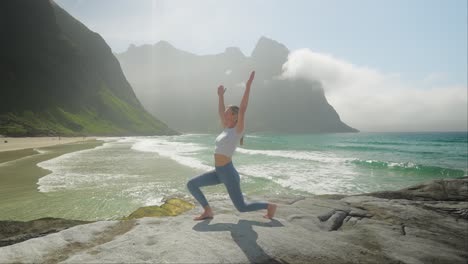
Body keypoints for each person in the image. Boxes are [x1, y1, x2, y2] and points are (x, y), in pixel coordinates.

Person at [187, 71, 277, 221]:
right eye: (226, 114)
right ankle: (208, 211)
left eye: (229, 114)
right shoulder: (226, 129)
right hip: (218, 172)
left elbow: (243, 108)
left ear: (235, 116)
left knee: (241, 207)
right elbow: (220, 112)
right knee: (191, 184)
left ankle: (269, 206)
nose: (225, 116)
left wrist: (248, 87)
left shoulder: (237, 130)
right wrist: (220, 96)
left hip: (229, 174)